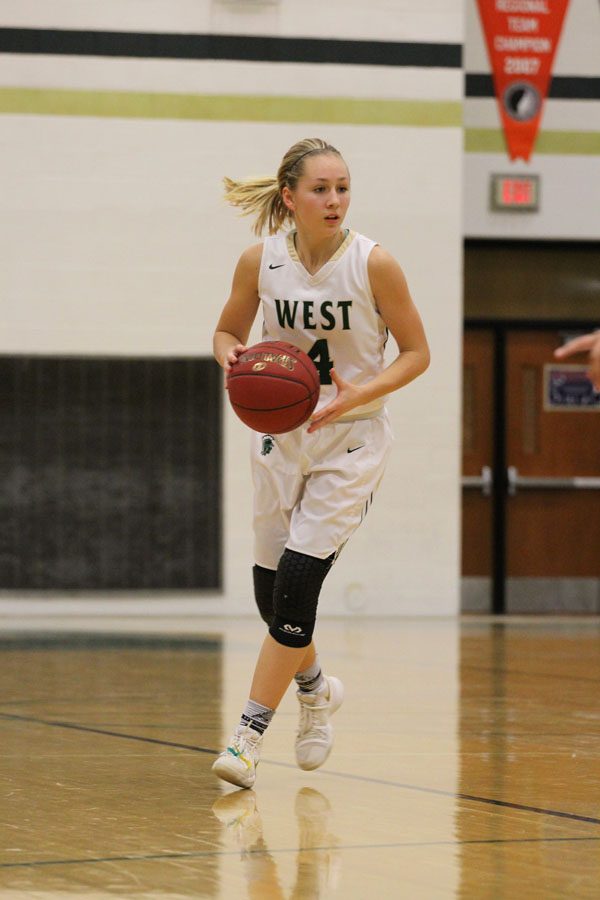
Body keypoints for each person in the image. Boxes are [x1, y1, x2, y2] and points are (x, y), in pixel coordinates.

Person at [212, 137, 430, 789]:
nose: (334, 200)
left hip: (351, 443)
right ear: (290, 197)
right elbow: (226, 331)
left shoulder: (374, 264)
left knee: (298, 587)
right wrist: (234, 360)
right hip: (281, 441)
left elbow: (417, 352)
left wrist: (367, 391)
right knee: (269, 597)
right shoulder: (261, 261)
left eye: (342, 188)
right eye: (320, 189)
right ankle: (314, 689)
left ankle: (248, 737)